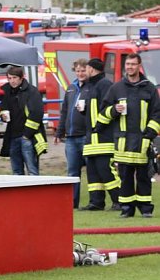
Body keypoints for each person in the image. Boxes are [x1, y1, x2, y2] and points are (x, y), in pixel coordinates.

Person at [100, 53, 160, 218]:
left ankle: (145, 209)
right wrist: (113, 110)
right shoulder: (116, 88)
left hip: (143, 141)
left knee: (144, 176)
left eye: (133, 64)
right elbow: (102, 113)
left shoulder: (149, 88)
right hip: (123, 142)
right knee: (125, 177)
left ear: (139, 66)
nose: (130, 67)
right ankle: (126, 209)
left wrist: (149, 133)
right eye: (128, 64)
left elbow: (157, 114)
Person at [79, 58, 120, 211]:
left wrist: (99, 126)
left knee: (106, 170)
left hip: (104, 137)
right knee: (93, 172)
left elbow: (109, 110)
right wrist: (84, 111)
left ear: (92, 69)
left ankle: (119, 200)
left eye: (86, 68)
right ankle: (96, 202)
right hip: (92, 138)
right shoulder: (91, 86)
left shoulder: (105, 85)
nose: (84, 71)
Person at [0, 66, 46, 176]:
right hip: (13, 136)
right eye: (9, 78)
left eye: (14, 78)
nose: (12, 81)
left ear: (22, 78)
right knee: (16, 172)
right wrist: (3, 115)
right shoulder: (7, 91)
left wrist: (27, 134)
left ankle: (35, 193)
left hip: (28, 137)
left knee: (32, 171)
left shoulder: (32, 91)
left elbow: (37, 114)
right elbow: (3, 109)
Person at [54, 59, 88, 208]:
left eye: (83, 70)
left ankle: (96, 202)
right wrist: (59, 132)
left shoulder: (92, 88)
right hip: (71, 138)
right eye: (78, 70)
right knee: (72, 173)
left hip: (86, 136)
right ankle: (73, 203)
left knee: (94, 171)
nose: (80, 73)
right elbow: (65, 112)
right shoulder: (70, 88)